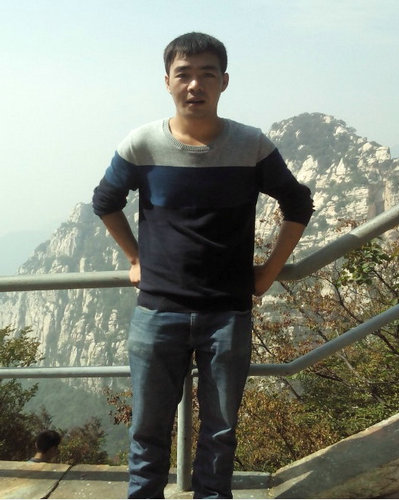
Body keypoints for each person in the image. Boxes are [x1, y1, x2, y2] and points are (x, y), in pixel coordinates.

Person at [92, 32, 313, 499]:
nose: (195, 85)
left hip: (227, 314)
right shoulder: (142, 144)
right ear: (167, 82)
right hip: (158, 312)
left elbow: (298, 203)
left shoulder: (251, 145)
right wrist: (134, 257)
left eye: (207, 74)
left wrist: (269, 271)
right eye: (184, 74)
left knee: (220, 433)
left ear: (223, 82)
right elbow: (105, 201)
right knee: (148, 430)